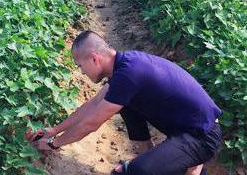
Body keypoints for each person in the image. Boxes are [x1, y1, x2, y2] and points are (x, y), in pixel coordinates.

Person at [27, 30, 223, 175]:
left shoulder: (128, 75)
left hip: (201, 136)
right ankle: (152, 157)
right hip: (188, 129)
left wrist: (53, 144)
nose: (82, 72)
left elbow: (91, 123)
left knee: (135, 172)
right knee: (126, 106)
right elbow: (93, 105)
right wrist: (53, 131)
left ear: (94, 58)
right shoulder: (124, 66)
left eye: (80, 66)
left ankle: (172, 164)